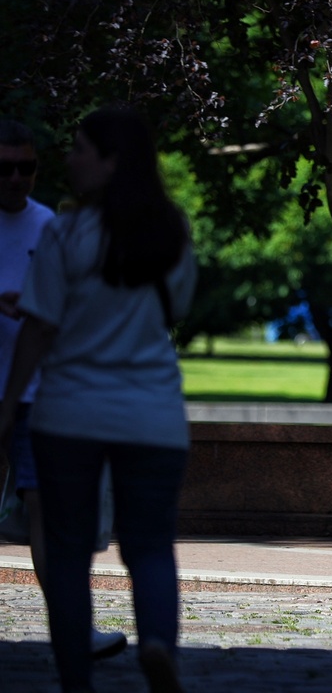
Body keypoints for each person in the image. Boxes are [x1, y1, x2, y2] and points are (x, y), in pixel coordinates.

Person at [0, 107, 197, 692]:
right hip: (153, 414)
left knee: (65, 551)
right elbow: (178, 309)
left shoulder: (65, 232)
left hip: (70, 413)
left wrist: (8, 405)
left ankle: (75, 680)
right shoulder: (171, 228)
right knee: (151, 547)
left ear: (111, 161)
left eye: (81, 148)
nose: (69, 158)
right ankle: (158, 642)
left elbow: (38, 327)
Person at [0, 119, 129, 663]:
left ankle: (71, 629)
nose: (15, 178)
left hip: (33, 394)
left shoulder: (50, 228)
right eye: (3, 168)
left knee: (43, 514)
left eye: (25, 167)